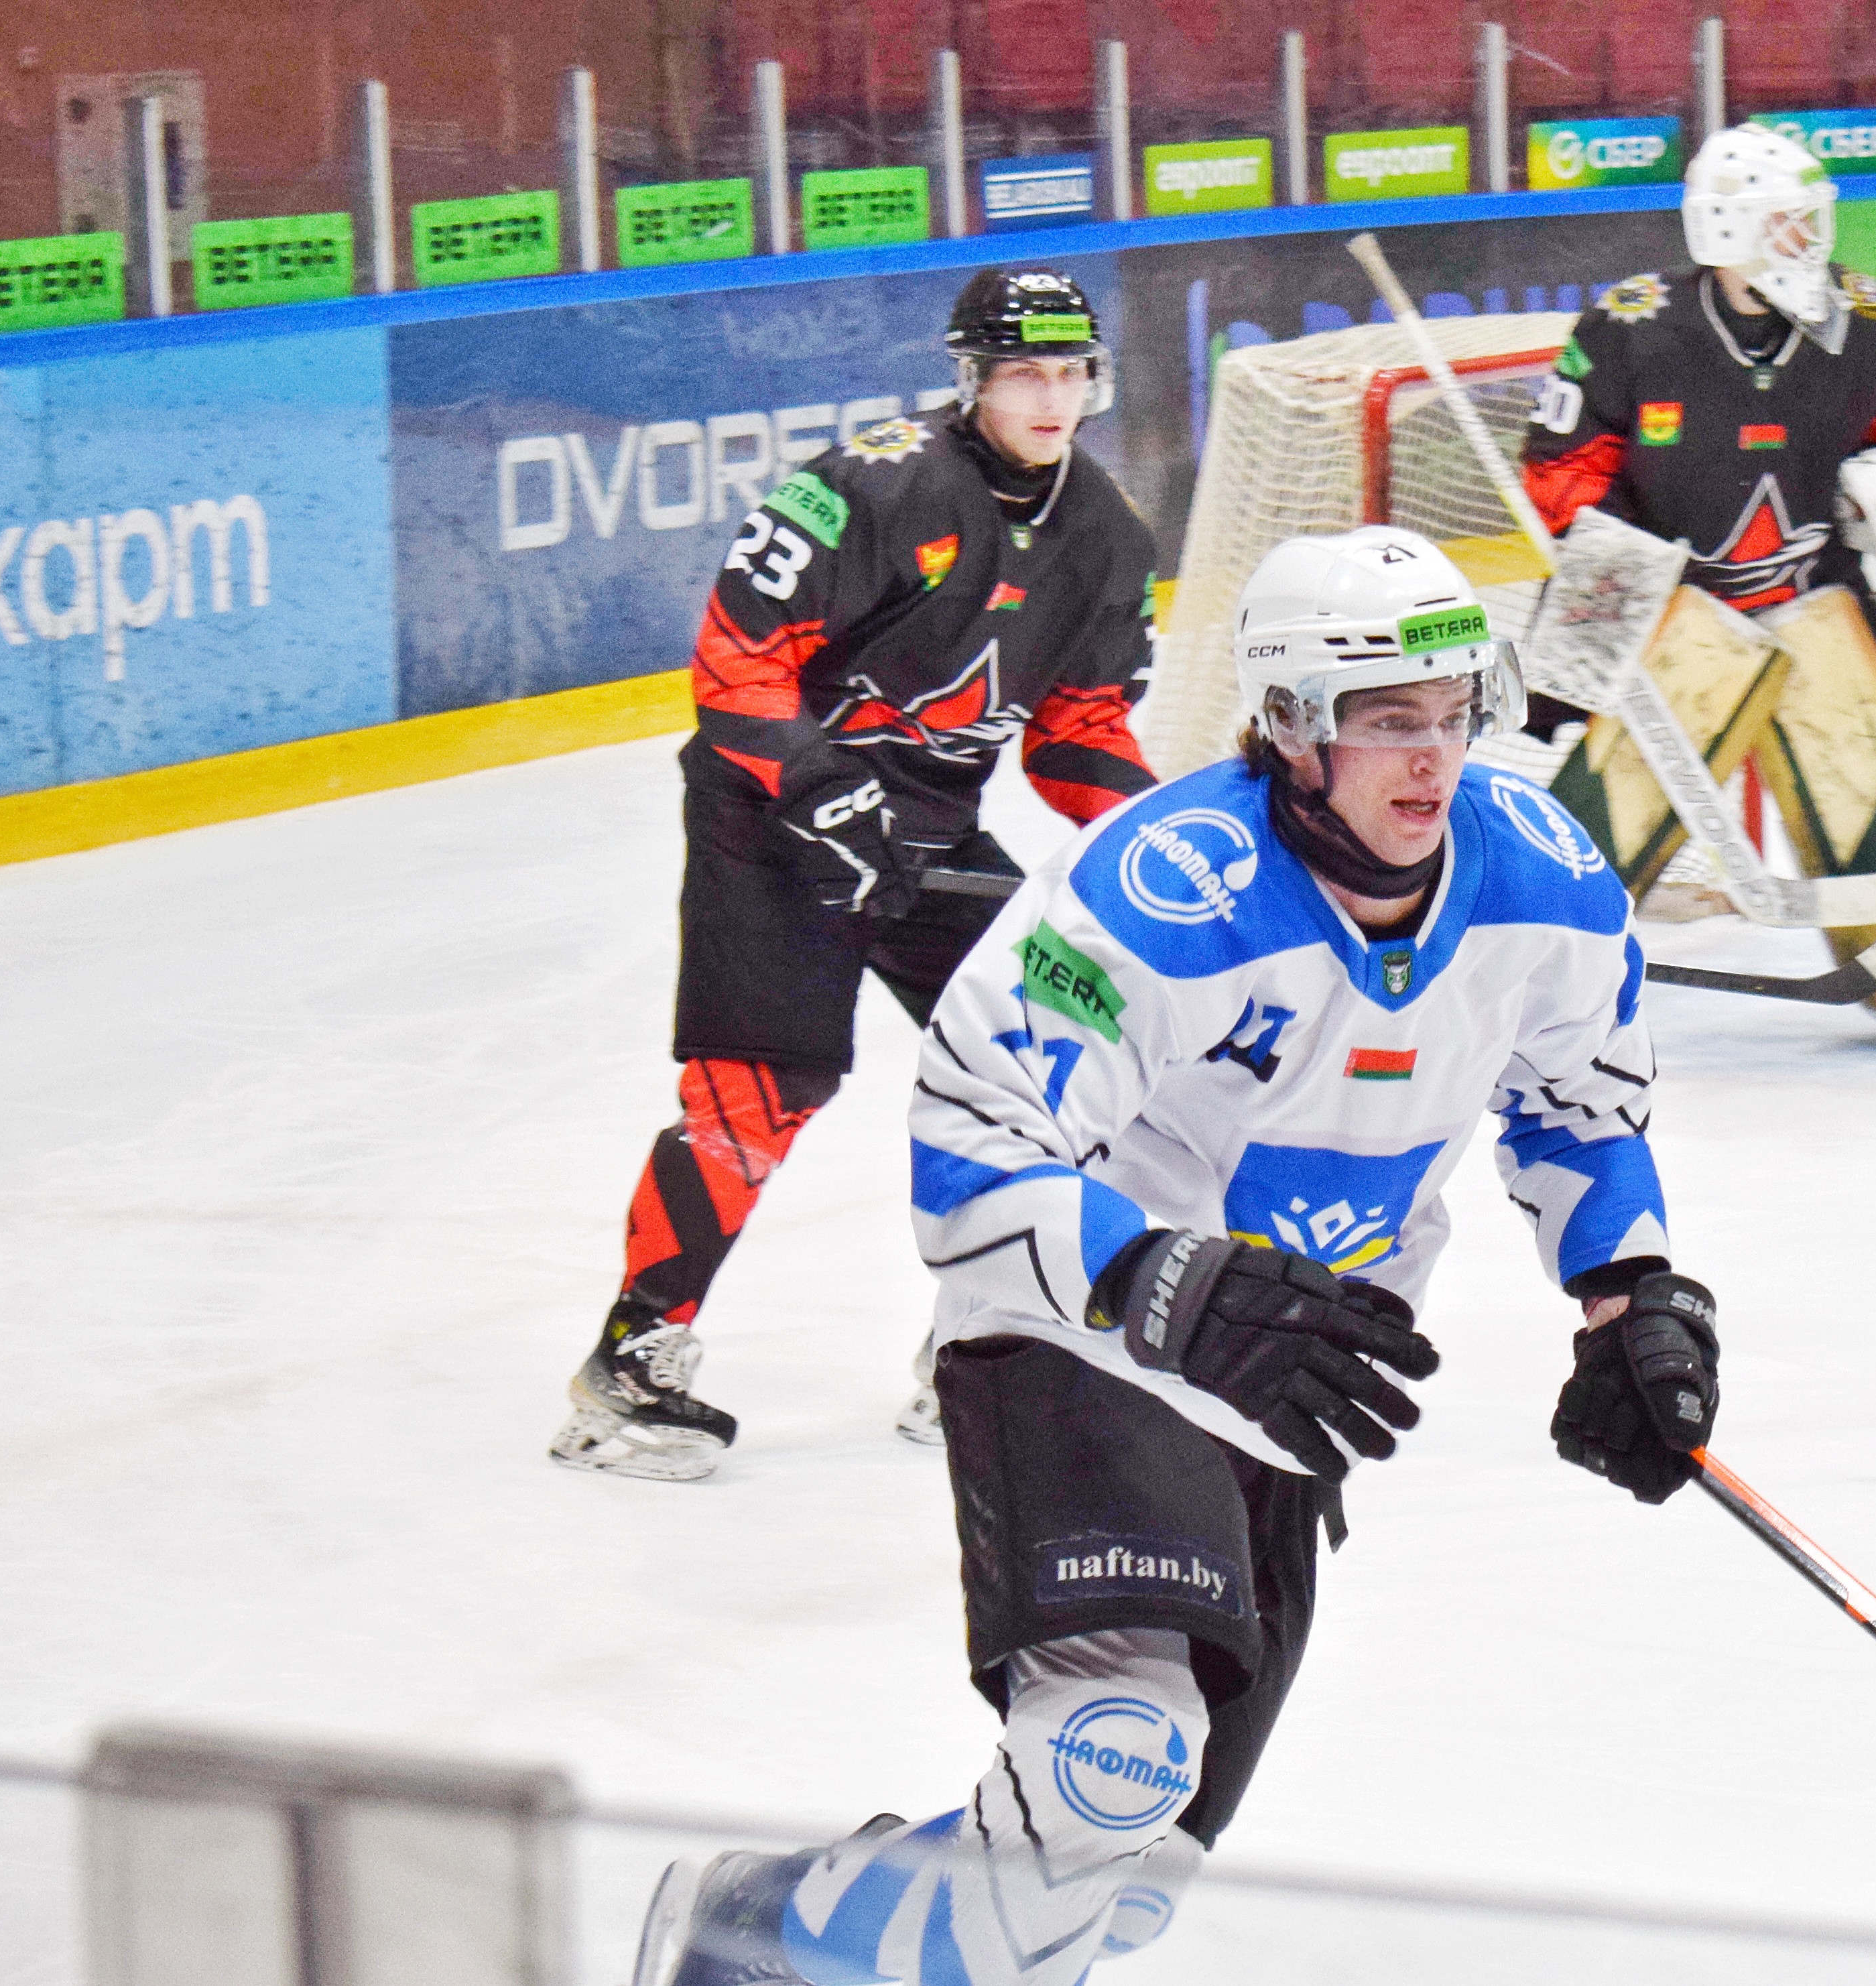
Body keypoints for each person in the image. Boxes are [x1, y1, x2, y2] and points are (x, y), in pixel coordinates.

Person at [629, 526, 1723, 1985]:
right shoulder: (1162, 889)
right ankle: (782, 1937)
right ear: (1291, 725)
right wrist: (1158, 1279)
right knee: (1107, 1771)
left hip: (1289, 1385)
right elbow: (973, 1138)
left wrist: (1630, 1297)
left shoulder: (1546, 880)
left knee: (1127, 1883)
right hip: (1081, 1340)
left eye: (1455, 712)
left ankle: (765, 1928)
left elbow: (1579, 1110)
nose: (1432, 757)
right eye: (1385, 719)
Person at [550, 268, 1162, 1483]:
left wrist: (1163, 830)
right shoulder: (867, 485)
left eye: (1070, 373)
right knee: (759, 1092)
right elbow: (737, 665)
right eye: (1023, 373)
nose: (1051, 398)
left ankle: (987, 1347)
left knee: (1050, 1066)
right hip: (770, 819)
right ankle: (630, 1363)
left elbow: (1076, 731)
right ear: (972, 380)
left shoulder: (1109, 535)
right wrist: (822, 790)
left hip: (928, 827)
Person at [1518, 121, 1876, 1019]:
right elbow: (1562, 461)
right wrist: (1617, 560)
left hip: (1809, 588)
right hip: (1665, 603)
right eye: (1786, 220)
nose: (1808, 237)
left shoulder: (1867, 319)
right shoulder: (1632, 325)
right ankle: (1532, 950)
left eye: (1810, 217)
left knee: (1851, 736)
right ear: (1726, 228)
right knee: (1636, 773)